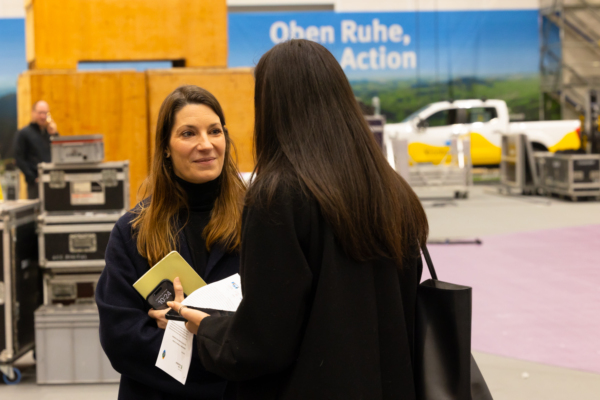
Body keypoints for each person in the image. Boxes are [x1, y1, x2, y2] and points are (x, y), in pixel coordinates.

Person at [169, 40, 429, 399]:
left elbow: (265, 341)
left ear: (272, 105)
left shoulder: (278, 196)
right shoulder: (394, 192)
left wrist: (209, 329)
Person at [95, 85, 245, 400]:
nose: (206, 145)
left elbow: (276, 324)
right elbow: (120, 338)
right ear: (165, 147)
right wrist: (221, 356)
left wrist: (192, 330)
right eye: (188, 134)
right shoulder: (132, 231)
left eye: (215, 131)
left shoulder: (259, 222)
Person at [13, 100, 58, 199]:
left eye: (45, 113)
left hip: (53, 180)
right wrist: (32, 178)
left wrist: (55, 135)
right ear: (33, 113)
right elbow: (19, 159)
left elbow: (59, 153)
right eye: (40, 113)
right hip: (35, 184)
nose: (43, 116)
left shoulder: (49, 133)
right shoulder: (24, 133)